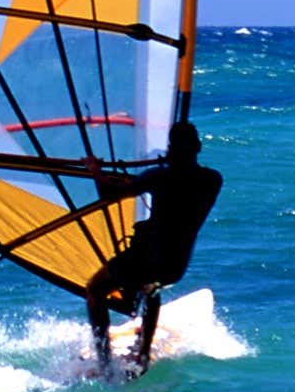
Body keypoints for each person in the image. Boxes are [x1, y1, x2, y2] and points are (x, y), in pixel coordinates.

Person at [82, 120, 222, 377]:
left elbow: (108, 194)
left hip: (145, 260)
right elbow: (182, 186)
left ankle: (105, 364)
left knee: (95, 290)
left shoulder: (159, 177)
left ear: (171, 149)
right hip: (175, 265)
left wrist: (94, 169)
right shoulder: (212, 180)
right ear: (198, 147)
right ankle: (143, 354)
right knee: (152, 287)